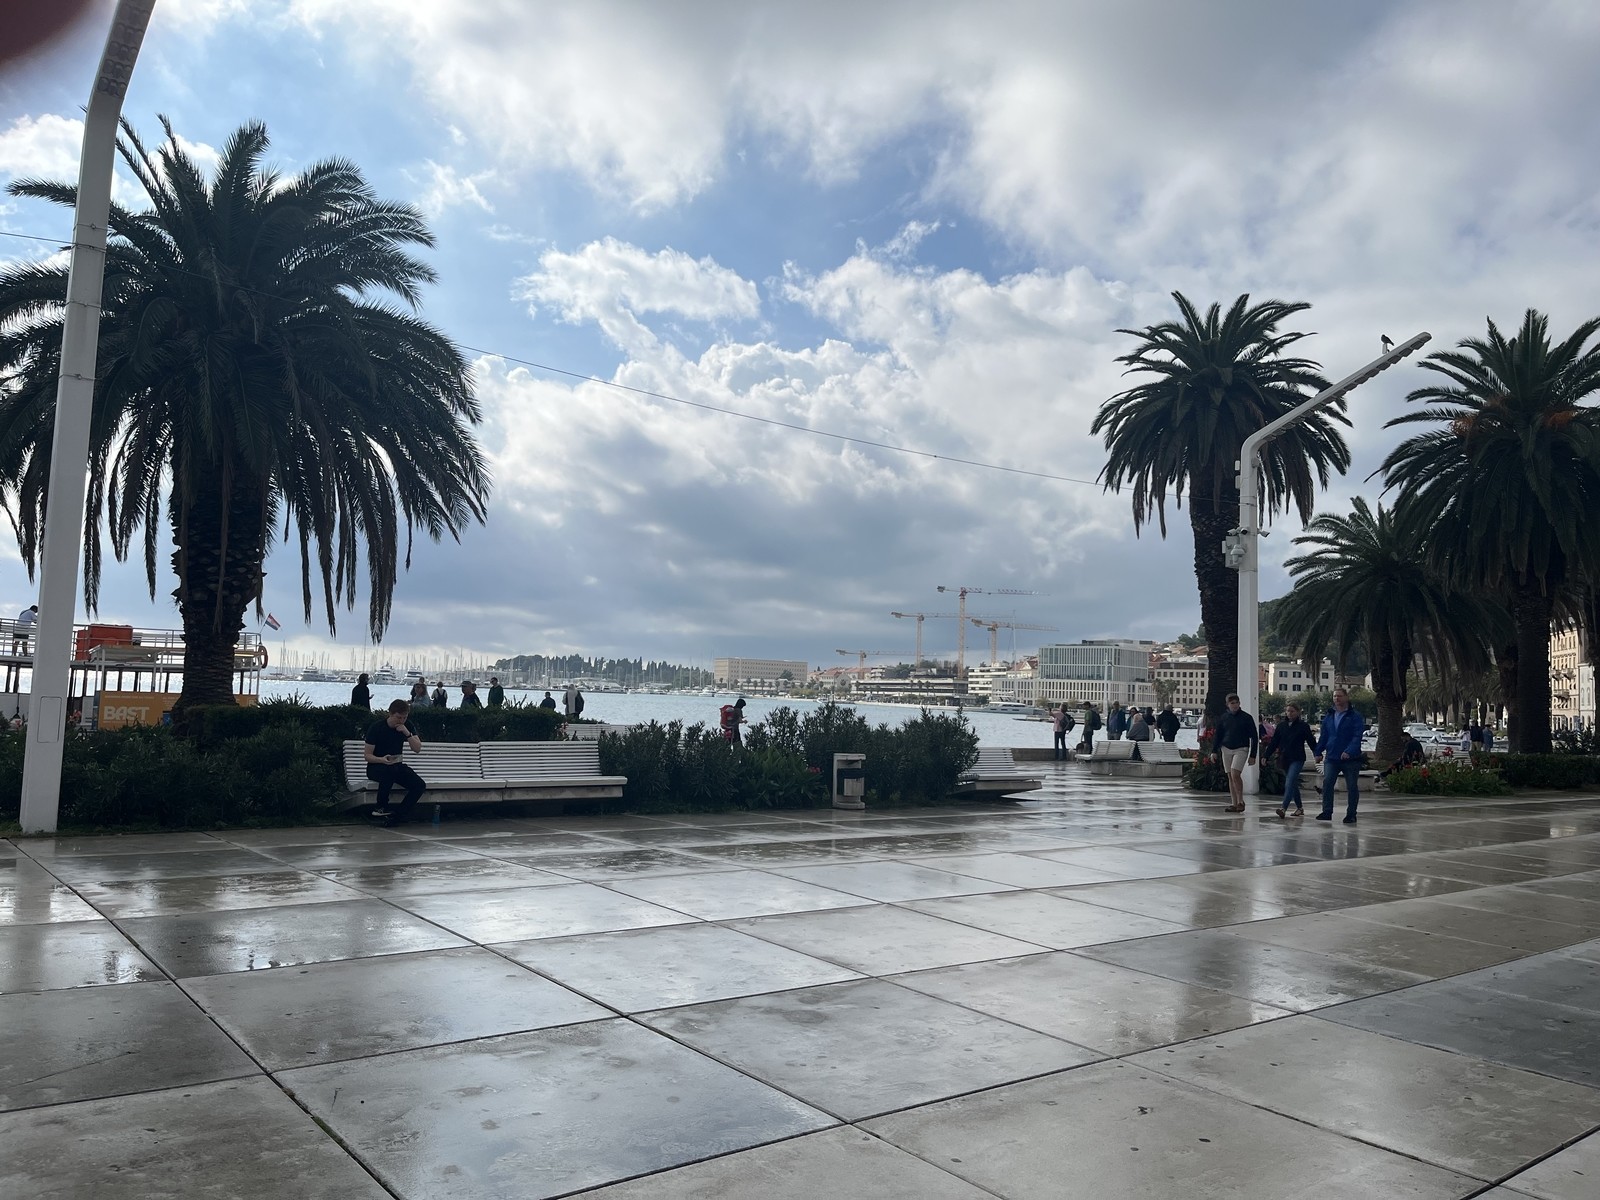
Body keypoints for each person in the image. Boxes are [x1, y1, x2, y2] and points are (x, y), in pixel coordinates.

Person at [364, 699, 426, 825]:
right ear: (391, 714)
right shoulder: (377, 727)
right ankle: (380, 807)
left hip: (396, 766)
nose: (401, 721)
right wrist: (381, 759)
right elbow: (367, 755)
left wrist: (407, 734)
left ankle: (399, 815)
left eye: (404, 717)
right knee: (389, 771)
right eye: (398, 717)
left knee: (419, 785)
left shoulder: (407, 726)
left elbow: (417, 749)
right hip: (376, 766)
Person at [1315, 686, 1366, 824]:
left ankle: (1351, 814)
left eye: (1339, 696)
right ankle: (1327, 811)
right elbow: (1324, 736)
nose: (1336, 698)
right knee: (1327, 783)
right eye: (1334, 696)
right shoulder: (1329, 716)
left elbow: (1357, 736)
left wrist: (1349, 751)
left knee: (1352, 786)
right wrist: (1318, 752)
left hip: (1351, 759)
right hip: (1332, 757)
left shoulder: (1354, 716)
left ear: (1346, 698)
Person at [1272, 702, 1317, 818]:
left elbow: (1311, 741)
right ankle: (1299, 808)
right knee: (1292, 783)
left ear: (1298, 712)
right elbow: (1274, 742)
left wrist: (1317, 753)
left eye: (1292, 711)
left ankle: (1283, 808)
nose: (1290, 713)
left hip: (1298, 758)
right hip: (1285, 758)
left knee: (1290, 781)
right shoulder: (1281, 726)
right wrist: (1266, 756)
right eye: (1288, 711)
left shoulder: (1303, 726)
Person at [1216, 692, 1259, 814]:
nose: (1234, 705)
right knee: (1230, 775)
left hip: (1241, 748)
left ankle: (1240, 801)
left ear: (1239, 703)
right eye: (1232, 703)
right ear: (1227, 704)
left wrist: (1253, 755)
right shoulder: (1224, 717)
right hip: (1226, 748)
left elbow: (1254, 737)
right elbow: (1218, 735)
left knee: (1235, 773)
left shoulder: (1246, 718)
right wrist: (1214, 751)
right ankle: (1234, 803)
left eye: (1236, 703)